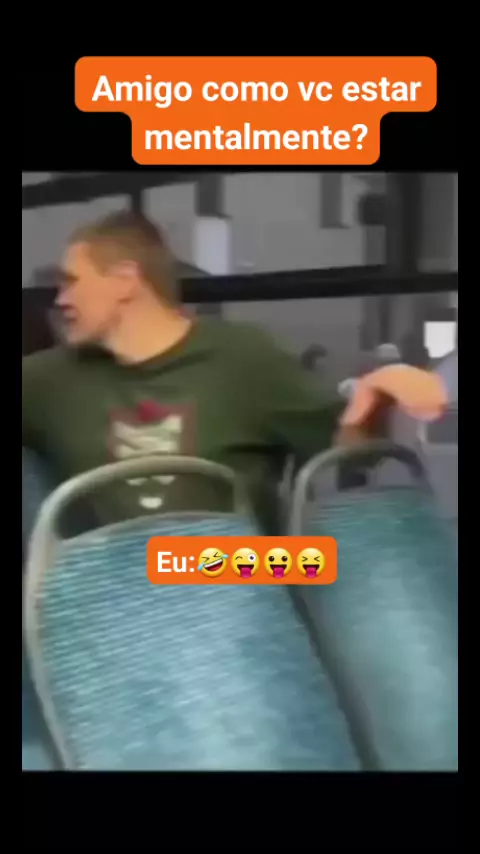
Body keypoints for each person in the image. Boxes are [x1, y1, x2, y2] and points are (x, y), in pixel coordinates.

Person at [22, 212, 447, 535]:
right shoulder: (49, 381)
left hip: (238, 588)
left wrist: (378, 400)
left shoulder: (244, 359)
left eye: (72, 281)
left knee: (326, 565)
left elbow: (347, 454)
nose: (61, 299)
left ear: (124, 280)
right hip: (104, 597)